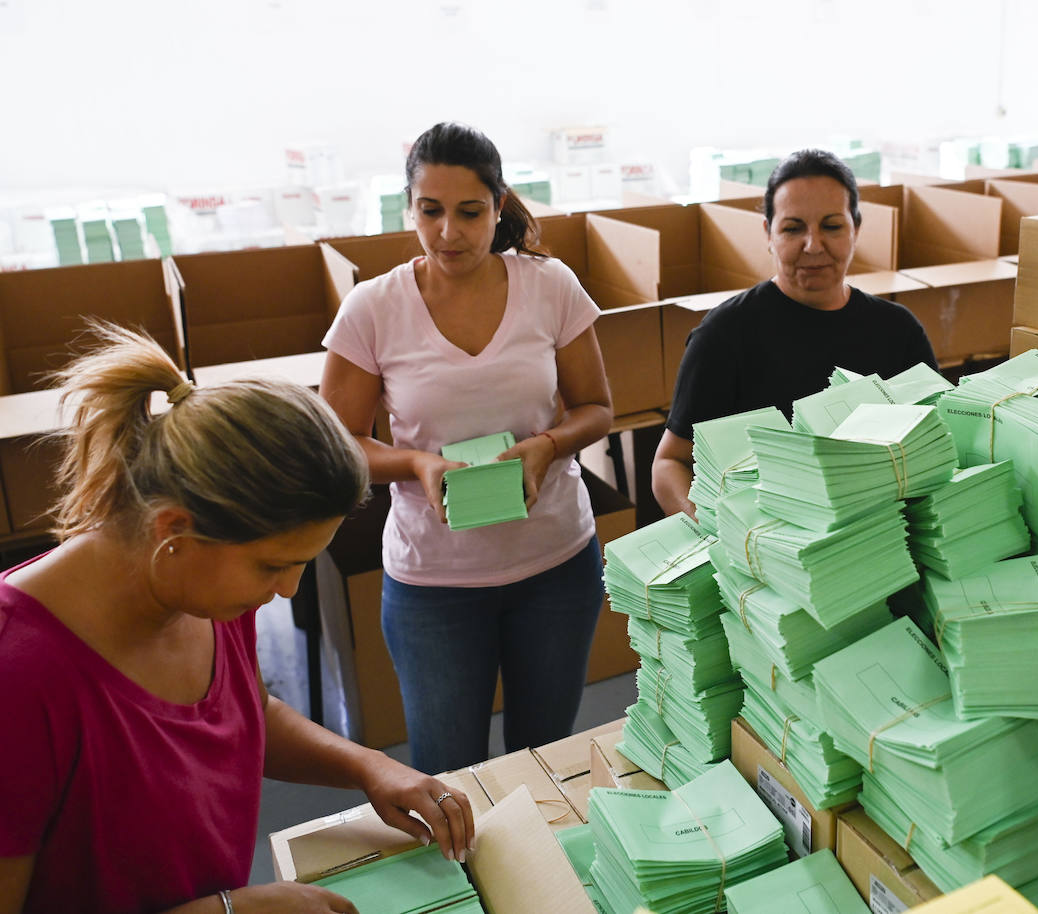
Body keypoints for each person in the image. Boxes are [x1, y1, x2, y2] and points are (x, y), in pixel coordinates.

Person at [0, 323, 476, 914]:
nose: (287, 590)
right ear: (175, 530)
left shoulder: (202, 588)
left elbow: (245, 711)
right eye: (273, 566)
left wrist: (369, 766)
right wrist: (231, 910)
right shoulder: (18, 676)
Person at [319, 122, 613, 775]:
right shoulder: (373, 309)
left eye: (470, 212)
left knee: (544, 763)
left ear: (499, 206)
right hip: (434, 583)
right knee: (449, 774)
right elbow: (339, 447)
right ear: (409, 209)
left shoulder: (550, 286)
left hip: (555, 564)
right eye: (431, 211)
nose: (448, 232)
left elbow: (596, 408)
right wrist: (416, 463)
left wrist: (547, 446)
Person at [652, 148, 939, 518]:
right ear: (768, 234)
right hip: (765, 538)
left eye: (832, 226)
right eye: (793, 228)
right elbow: (669, 463)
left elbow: (936, 441)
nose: (813, 245)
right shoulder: (724, 335)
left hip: (883, 534)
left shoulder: (898, 330)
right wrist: (723, 534)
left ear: (855, 229)